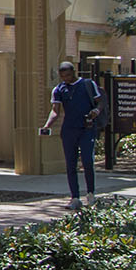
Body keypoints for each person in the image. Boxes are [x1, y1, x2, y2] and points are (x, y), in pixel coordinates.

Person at [38, 61, 104, 208]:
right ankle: (75, 197)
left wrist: (96, 112)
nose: (65, 79)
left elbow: (100, 102)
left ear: (74, 72)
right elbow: (55, 111)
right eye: (62, 76)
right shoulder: (59, 89)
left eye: (68, 75)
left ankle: (91, 194)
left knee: (88, 161)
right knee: (70, 165)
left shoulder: (88, 84)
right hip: (68, 130)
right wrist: (47, 125)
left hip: (87, 128)